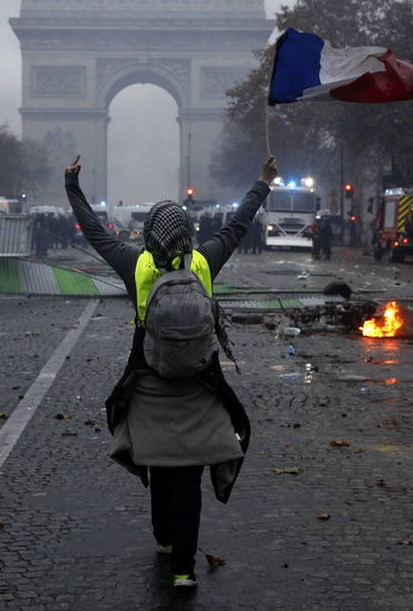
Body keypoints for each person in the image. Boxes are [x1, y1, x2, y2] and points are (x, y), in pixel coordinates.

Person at [65, 154, 278, 588]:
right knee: (189, 476)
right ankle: (184, 567)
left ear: (148, 235)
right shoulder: (203, 262)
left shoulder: (134, 264)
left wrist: (72, 186)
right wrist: (262, 183)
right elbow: (237, 225)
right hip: (201, 382)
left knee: (160, 465)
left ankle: (163, 538)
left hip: (148, 382)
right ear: (187, 233)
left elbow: (94, 232)